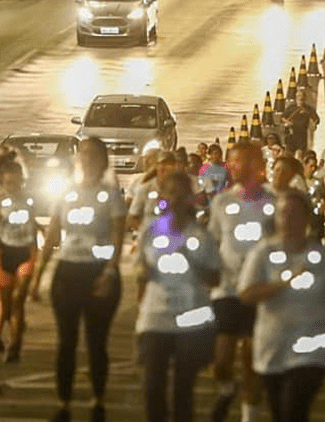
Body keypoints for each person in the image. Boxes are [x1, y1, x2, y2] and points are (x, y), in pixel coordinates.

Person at [30, 138, 126, 422]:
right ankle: (64, 404)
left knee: (96, 341)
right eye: (82, 154)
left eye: (93, 154)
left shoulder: (111, 195)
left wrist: (110, 271)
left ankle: (98, 400)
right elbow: (52, 234)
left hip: (99, 272)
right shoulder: (66, 193)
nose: (86, 159)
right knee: (66, 341)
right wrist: (38, 276)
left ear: (103, 161)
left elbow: (118, 235)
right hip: (68, 271)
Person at [237, 189, 325, 422]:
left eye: (295, 214)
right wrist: (282, 283)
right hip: (273, 347)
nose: (288, 220)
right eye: (283, 213)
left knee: (294, 409)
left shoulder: (321, 256)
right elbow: (246, 293)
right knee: (280, 412)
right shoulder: (263, 252)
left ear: (307, 218)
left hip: (311, 347)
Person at [135, 171, 221, 422]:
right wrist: (143, 273)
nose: (176, 200)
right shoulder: (151, 230)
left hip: (189, 320)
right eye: (171, 193)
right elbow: (140, 269)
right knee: (153, 386)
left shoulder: (200, 236)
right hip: (156, 317)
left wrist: (191, 261)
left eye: (183, 195)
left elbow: (215, 278)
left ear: (191, 199)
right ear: (163, 196)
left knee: (183, 388)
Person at [208, 142, 277, 422]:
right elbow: (213, 241)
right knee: (221, 359)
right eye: (232, 161)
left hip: (259, 291)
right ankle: (227, 388)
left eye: (243, 161)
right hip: (226, 288)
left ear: (257, 164)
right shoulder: (223, 202)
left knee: (251, 358)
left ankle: (250, 413)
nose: (236, 167)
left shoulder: (273, 203)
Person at [0, 160, 40, 363]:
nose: (12, 187)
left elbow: (32, 228)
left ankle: (15, 344)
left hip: (24, 254)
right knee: (6, 305)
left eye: (16, 183)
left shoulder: (29, 201)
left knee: (18, 299)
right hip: (4, 254)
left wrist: (35, 254)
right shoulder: (1, 203)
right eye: (8, 183)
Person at [281, 90, 320, 154]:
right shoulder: (291, 107)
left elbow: (316, 120)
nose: (300, 98)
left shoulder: (309, 108)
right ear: (296, 97)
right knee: (289, 153)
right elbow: (282, 118)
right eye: (299, 96)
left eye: (302, 96)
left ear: (305, 97)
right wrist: (287, 122)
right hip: (291, 134)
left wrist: (307, 113)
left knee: (300, 153)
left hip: (302, 136)